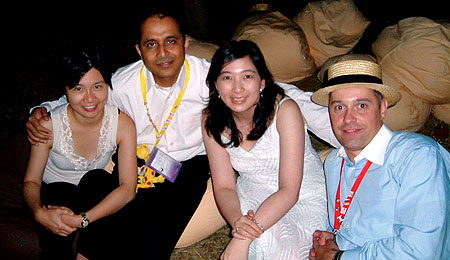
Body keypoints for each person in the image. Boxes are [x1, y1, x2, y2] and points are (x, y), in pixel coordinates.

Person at [25, 5, 337, 259]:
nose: (162, 52)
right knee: (107, 205)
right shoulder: (123, 83)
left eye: (171, 41)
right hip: (138, 159)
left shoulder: (213, 78)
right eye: (151, 44)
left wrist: (347, 129)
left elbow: (282, 95)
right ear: (139, 50)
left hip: (189, 165)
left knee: (158, 229)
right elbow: (84, 94)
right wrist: (39, 111)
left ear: (185, 43)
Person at [309, 58, 450, 260]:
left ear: (383, 108)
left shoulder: (417, 156)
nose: (348, 118)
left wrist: (339, 257)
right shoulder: (333, 163)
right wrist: (334, 239)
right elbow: (346, 222)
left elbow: (421, 252)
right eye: (339, 107)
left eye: (362, 105)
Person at [202, 40, 327, 260]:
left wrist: (242, 238)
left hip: (301, 194)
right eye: (227, 77)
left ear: (261, 83)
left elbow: (289, 190)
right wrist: (237, 224)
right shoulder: (211, 120)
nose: (237, 88)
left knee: (279, 250)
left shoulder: (285, 110)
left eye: (247, 76)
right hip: (254, 190)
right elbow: (223, 186)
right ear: (215, 85)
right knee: (261, 242)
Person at [23, 46, 137, 260]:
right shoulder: (48, 125)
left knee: (100, 181)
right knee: (59, 200)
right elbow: (31, 181)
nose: (89, 99)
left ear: (108, 85)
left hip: (91, 190)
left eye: (97, 86)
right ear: (65, 90)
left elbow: (128, 189)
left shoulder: (122, 124)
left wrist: (84, 219)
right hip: (56, 192)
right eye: (78, 88)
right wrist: (39, 212)